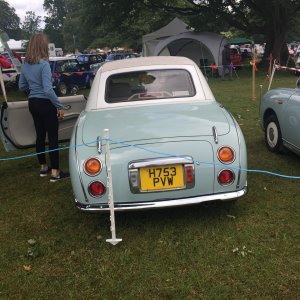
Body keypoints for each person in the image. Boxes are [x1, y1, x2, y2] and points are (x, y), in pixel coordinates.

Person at [18, 33, 69, 182]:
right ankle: (55, 173)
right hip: (45, 103)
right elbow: (47, 89)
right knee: (52, 137)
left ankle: (43, 167)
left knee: (40, 136)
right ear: (42, 46)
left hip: (32, 102)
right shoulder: (44, 64)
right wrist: (59, 106)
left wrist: (33, 87)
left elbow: (22, 86)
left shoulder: (26, 64)